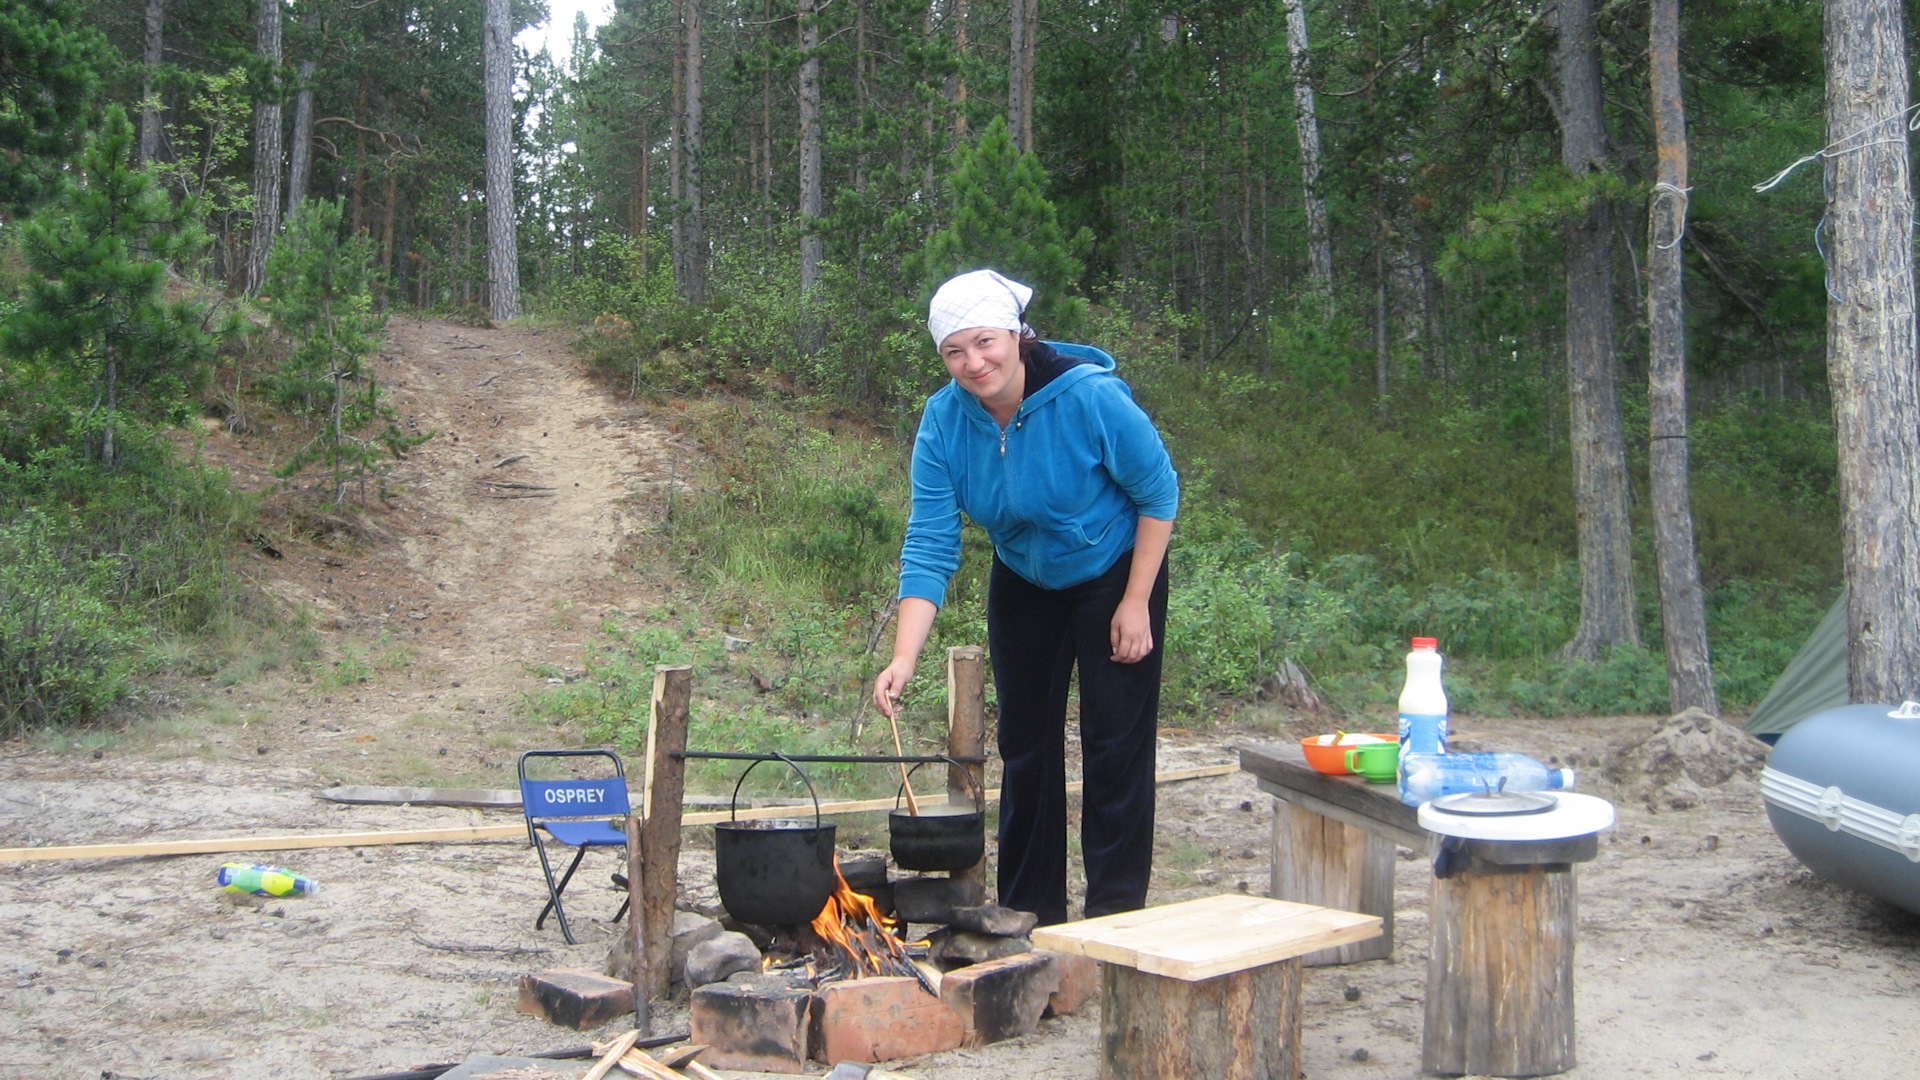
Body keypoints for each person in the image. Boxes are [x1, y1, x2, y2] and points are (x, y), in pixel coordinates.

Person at [871, 268, 1179, 926]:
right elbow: (930, 542)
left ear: (1015, 334)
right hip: (1024, 578)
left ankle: (1116, 919)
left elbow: (1158, 494)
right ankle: (1031, 916)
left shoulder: (1090, 397)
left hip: (1115, 570)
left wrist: (1134, 602)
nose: (973, 363)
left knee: (1113, 744)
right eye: (954, 351)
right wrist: (904, 659)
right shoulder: (944, 421)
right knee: (1027, 745)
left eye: (984, 342)